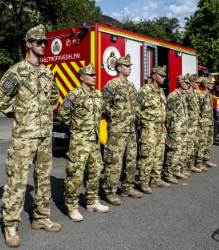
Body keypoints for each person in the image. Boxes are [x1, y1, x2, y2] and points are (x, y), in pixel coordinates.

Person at [0, 25, 61, 247]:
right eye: (39, 42)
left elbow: (54, 98)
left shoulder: (47, 72)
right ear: (28, 44)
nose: (43, 45)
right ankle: (10, 224)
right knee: (17, 180)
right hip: (24, 137)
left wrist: (42, 116)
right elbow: (0, 98)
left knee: (43, 179)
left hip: (44, 136)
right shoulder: (16, 71)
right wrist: (20, 114)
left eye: (45, 42)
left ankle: (40, 218)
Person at [57, 63, 109, 222]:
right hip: (79, 142)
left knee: (95, 171)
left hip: (94, 140)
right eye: (91, 75)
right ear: (82, 77)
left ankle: (92, 201)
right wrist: (75, 128)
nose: (94, 77)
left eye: (95, 75)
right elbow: (62, 114)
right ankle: (72, 207)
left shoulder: (97, 95)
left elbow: (103, 112)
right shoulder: (74, 95)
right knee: (75, 174)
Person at [101, 55, 143, 206]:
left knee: (131, 159)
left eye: (130, 66)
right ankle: (109, 192)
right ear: (119, 68)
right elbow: (103, 105)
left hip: (131, 130)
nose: (130, 68)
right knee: (114, 161)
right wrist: (115, 116)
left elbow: (135, 106)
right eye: (127, 66)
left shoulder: (131, 86)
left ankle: (127, 187)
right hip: (117, 130)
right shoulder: (111, 85)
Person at [136, 65, 169, 193]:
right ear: (154, 76)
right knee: (147, 155)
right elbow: (136, 107)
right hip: (149, 129)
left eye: (165, 76)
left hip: (160, 128)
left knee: (159, 154)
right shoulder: (145, 90)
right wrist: (144, 121)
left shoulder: (161, 91)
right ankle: (144, 182)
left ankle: (155, 179)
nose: (164, 78)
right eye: (162, 75)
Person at [163, 75, 190, 183]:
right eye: (186, 83)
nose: (188, 84)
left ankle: (177, 170)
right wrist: (170, 129)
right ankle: (168, 173)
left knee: (181, 151)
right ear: (180, 83)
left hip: (182, 128)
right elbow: (168, 114)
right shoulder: (172, 96)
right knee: (173, 151)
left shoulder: (182, 96)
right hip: (175, 129)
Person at [184, 74, 203, 173]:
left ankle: (191, 165)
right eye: (196, 82)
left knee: (194, 145)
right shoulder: (186, 94)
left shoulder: (195, 94)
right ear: (191, 83)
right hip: (189, 124)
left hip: (195, 124)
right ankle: (186, 167)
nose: (198, 84)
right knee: (188, 146)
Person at [197, 77, 217, 169]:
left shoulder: (209, 95)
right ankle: (199, 162)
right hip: (203, 123)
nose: (212, 85)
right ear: (205, 84)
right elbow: (197, 110)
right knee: (202, 142)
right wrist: (199, 122)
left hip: (209, 122)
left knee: (209, 141)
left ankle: (206, 159)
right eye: (211, 83)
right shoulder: (200, 95)